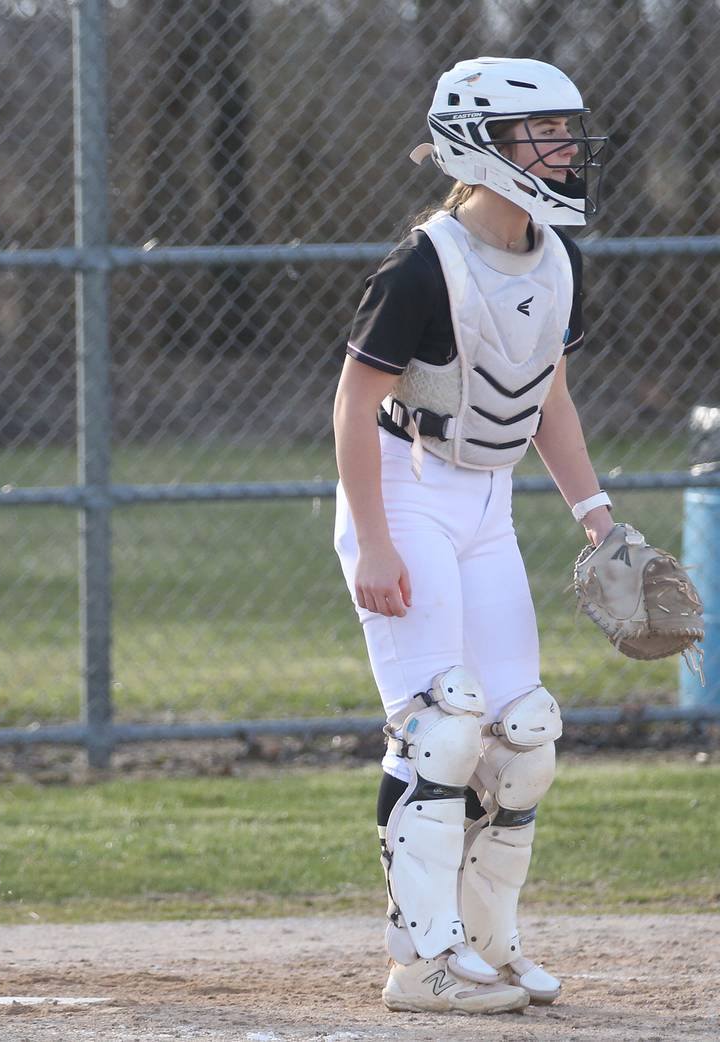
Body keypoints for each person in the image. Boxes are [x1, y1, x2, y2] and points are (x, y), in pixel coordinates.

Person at [331, 58, 610, 1014]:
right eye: (545, 134)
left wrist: (597, 517)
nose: (567, 152)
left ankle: (490, 943)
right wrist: (373, 542)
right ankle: (423, 961)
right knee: (441, 728)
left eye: (569, 133)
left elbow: (550, 404)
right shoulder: (423, 262)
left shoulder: (556, 257)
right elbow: (353, 403)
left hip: (487, 503)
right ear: (482, 144)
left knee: (524, 734)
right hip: (407, 492)